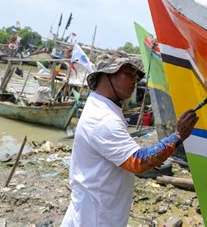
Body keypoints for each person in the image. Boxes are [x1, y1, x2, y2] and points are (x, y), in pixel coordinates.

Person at [62, 52, 198, 226]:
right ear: (107, 75)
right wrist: (178, 136)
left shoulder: (103, 106)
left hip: (97, 211)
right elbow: (138, 162)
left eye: (136, 75)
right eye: (128, 73)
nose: (135, 80)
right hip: (94, 218)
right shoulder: (103, 119)